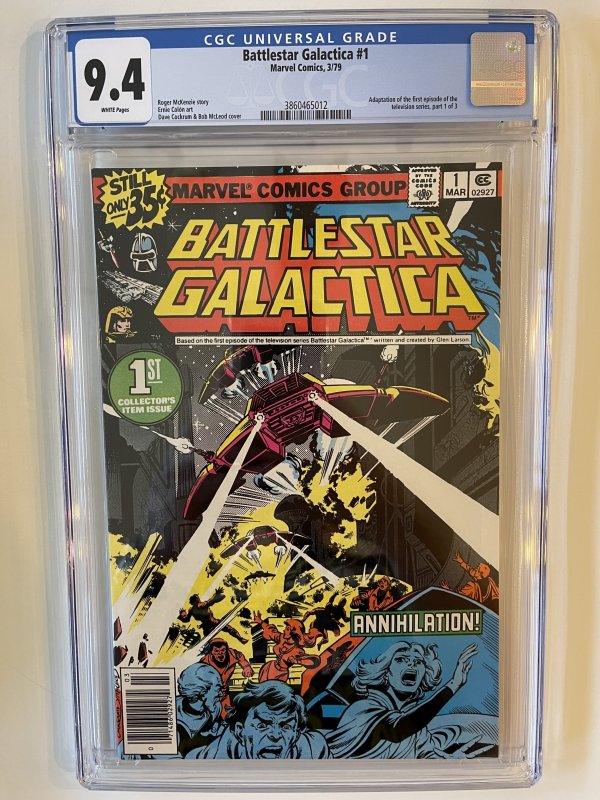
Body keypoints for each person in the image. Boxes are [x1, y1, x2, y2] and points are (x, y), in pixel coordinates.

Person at [326, 640, 477, 758]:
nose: (411, 664)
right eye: (401, 659)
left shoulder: (417, 728)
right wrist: (453, 685)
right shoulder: (363, 708)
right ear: (385, 672)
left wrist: (451, 761)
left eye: (418, 662)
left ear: (425, 675)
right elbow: (396, 730)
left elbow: (425, 755)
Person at [189, 680, 329, 759]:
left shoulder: (315, 750)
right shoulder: (213, 757)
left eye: (285, 726)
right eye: (262, 725)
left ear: (296, 735)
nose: (275, 735)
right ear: (240, 732)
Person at [175, 662, 225, 757]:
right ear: (202, 692)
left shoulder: (215, 708)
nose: (221, 694)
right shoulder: (174, 718)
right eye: (217, 688)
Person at [254, 612, 320, 682]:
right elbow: (271, 632)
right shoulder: (282, 638)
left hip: (280, 674)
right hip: (269, 666)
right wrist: (260, 622)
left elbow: (314, 661)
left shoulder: (297, 650)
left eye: (287, 629)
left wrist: (298, 661)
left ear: (293, 632)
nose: (284, 630)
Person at [200, 638, 254, 711]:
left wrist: (246, 667)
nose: (220, 653)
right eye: (216, 651)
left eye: (223, 650)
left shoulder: (233, 653)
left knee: (227, 713)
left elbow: (240, 657)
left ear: (227, 650)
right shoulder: (205, 661)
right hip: (210, 694)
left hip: (224, 693)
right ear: (211, 652)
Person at [178, 590, 248, 644]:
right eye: (198, 598)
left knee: (207, 639)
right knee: (229, 629)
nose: (199, 598)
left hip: (205, 626)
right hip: (212, 622)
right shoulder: (200, 604)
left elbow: (186, 620)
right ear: (196, 599)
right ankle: (241, 639)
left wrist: (180, 617)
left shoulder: (191, 610)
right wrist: (216, 594)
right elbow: (211, 601)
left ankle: (241, 639)